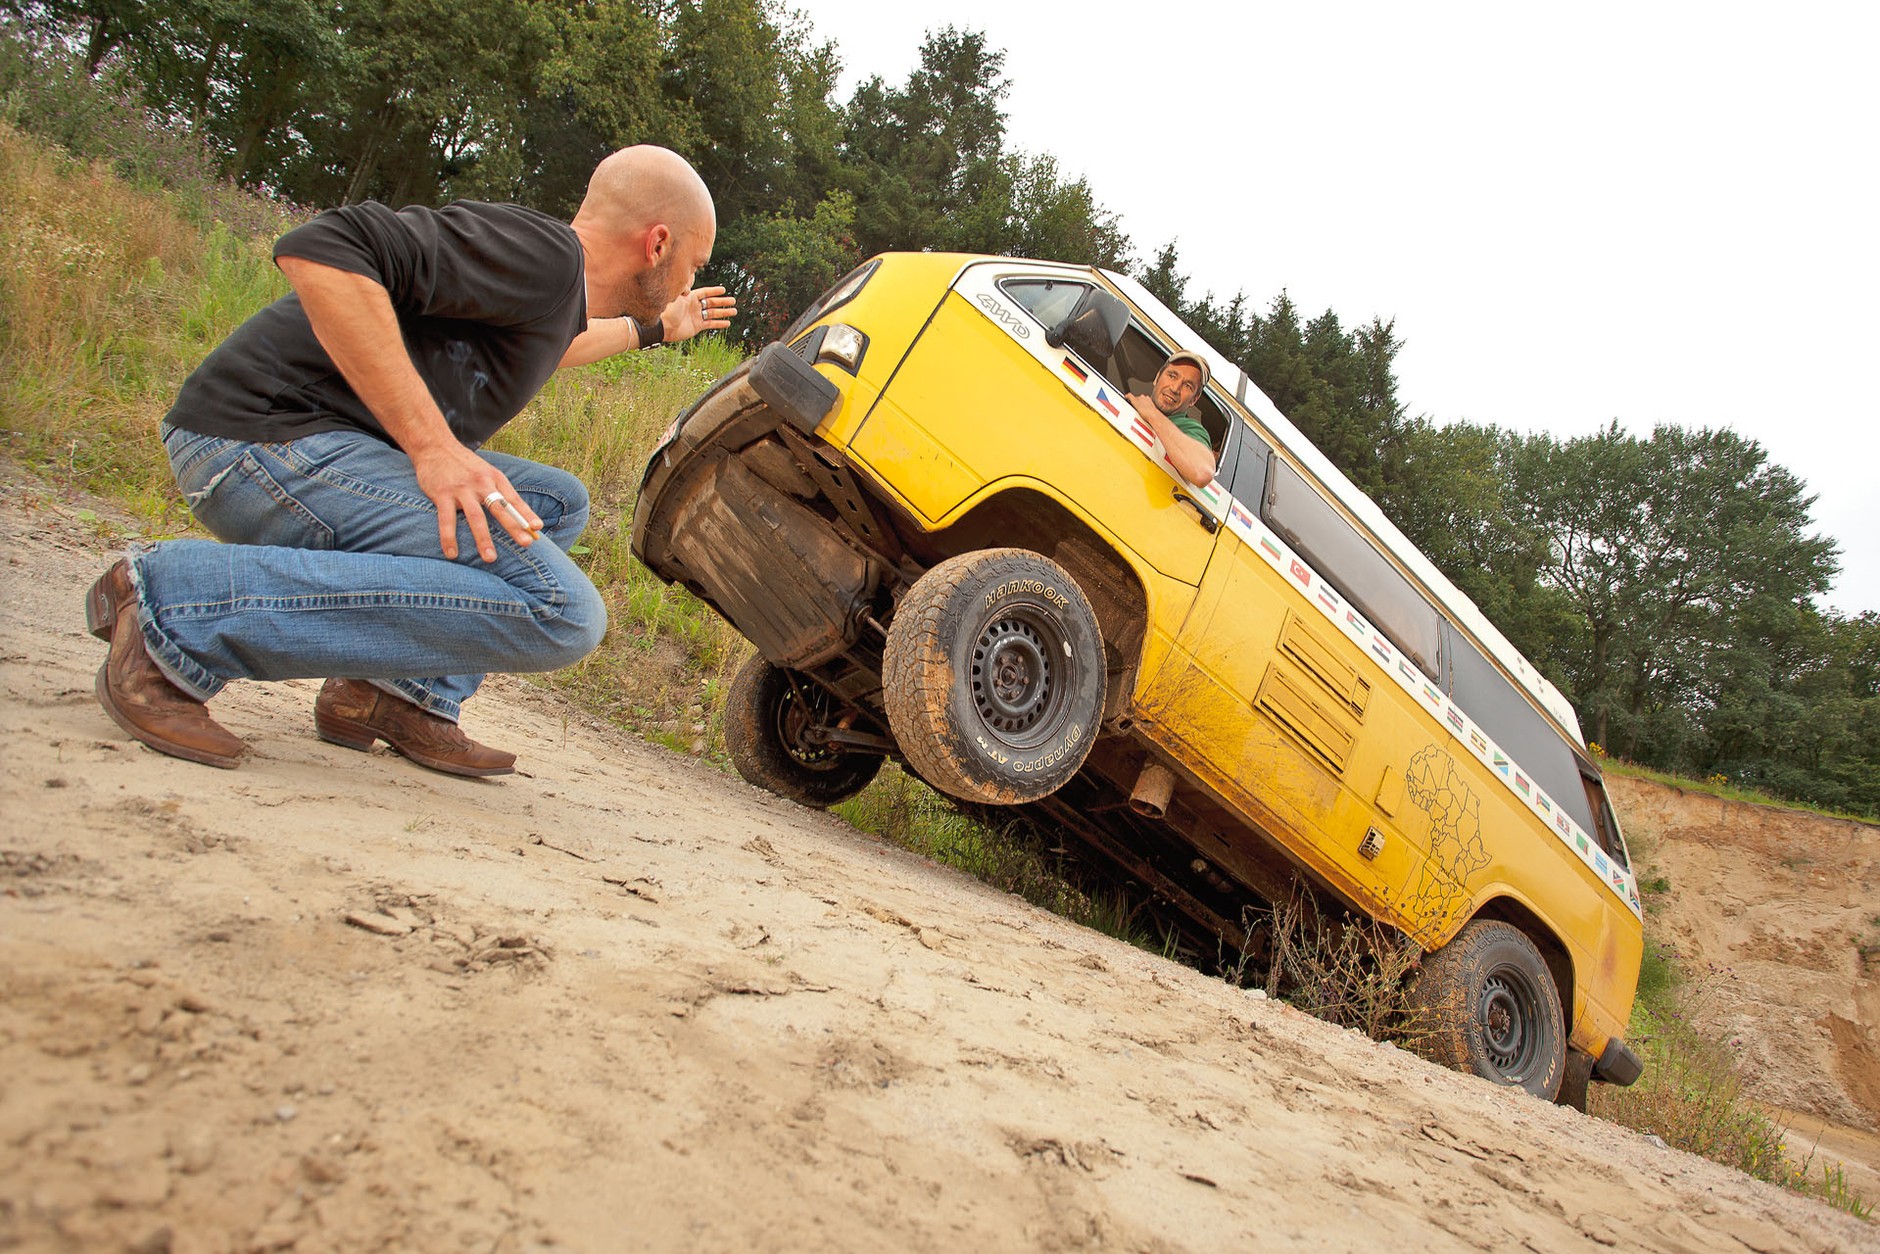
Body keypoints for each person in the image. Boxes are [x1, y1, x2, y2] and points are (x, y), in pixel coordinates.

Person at [83, 145, 735, 777]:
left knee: (555, 502)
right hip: (258, 443)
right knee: (563, 615)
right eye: (693, 262)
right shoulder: (540, 256)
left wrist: (656, 330)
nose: (689, 282)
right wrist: (432, 447)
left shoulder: (553, 294)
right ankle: (173, 610)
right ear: (657, 244)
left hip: (293, 449)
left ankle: (391, 696)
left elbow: (561, 344)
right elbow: (324, 248)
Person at [1125, 350, 1217, 487]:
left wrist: (1152, 414)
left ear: (1194, 400)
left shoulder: (1190, 429)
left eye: (1187, 386)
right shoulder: (1133, 404)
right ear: (1157, 378)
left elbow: (1202, 472)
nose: (1175, 388)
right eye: (1172, 376)